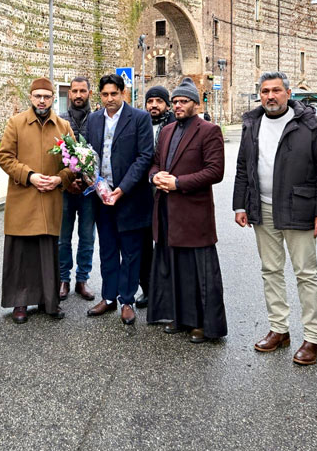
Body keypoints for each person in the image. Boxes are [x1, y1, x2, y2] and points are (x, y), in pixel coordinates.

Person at [233, 72, 317, 366]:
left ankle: (313, 338)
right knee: (271, 271)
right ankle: (279, 330)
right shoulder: (252, 122)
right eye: (265, 91)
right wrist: (240, 205)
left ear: (288, 93)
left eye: (276, 90)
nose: (270, 96)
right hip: (262, 208)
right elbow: (243, 166)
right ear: (260, 95)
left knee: (306, 274)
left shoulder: (311, 125)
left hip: (299, 209)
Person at [148, 78, 226, 342]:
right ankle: (179, 318)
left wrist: (178, 183)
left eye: (184, 101)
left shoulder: (209, 130)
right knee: (174, 267)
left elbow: (215, 171)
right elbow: (156, 163)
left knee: (199, 273)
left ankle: (203, 324)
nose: (178, 105)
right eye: (176, 102)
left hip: (194, 214)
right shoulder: (167, 130)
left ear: (195, 103)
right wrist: (155, 177)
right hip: (167, 211)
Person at [0, 77, 75, 323]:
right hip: (23, 197)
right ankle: (20, 302)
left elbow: (75, 162)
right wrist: (29, 176)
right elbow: (6, 158)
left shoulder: (63, 126)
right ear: (30, 98)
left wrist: (59, 179)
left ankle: (48, 301)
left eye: (47, 96)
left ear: (53, 98)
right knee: (20, 252)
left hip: (50, 198)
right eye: (38, 96)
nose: (42, 100)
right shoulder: (16, 123)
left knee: (47, 250)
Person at [85, 73, 153, 325]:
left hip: (130, 197)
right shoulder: (93, 120)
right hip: (102, 198)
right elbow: (88, 154)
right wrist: (92, 181)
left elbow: (145, 157)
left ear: (123, 93)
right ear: (99, 96)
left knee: (131, 252)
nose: (110, 99)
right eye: (105, 94)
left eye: (114, 94)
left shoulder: (139, 119)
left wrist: (122, 189)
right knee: (108, 250)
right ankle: (108, 297)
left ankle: (127, 300)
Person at [136, 85, 176, 309]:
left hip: (166, 191)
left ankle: (168, 290)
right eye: (150, 101)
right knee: (143, 245)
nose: (153, 105)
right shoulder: (139, 123)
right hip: (142, 192)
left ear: (166, 105)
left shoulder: (173, 126)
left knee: (165, 242)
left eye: (158, 101)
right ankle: (148, 289)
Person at [58, 76, 95, 302]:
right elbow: (54, 156)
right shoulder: (60, 120)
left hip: (90, 191)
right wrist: (67, 180)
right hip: (65, 188)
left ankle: (82, 279)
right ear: (69, 94)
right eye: (75, 91)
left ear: (89, 93)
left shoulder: (97, 119)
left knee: (87, 236)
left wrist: (90, 179)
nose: (78, 95)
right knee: (62, 237)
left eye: (83, 91)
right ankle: (63, 278)